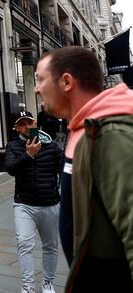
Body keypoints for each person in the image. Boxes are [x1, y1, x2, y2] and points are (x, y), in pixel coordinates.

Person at [34, 46, 133, 290]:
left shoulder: (110, 134)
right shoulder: (79, 128)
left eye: (40, 79)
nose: (36, 88)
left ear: (66, 81)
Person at [5, 111, 63, 293]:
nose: (27, 127)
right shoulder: (13, 146)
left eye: (29, 122)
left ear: (35, 123)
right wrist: (28, 154)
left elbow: (64, 170)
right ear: (16, 128)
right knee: (24, 244)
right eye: (22, 124)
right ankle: (28, 286)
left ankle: (47, 282)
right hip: (24, 204)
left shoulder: (52, 146)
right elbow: (10, 169)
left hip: (50, 204)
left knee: (50, 246)